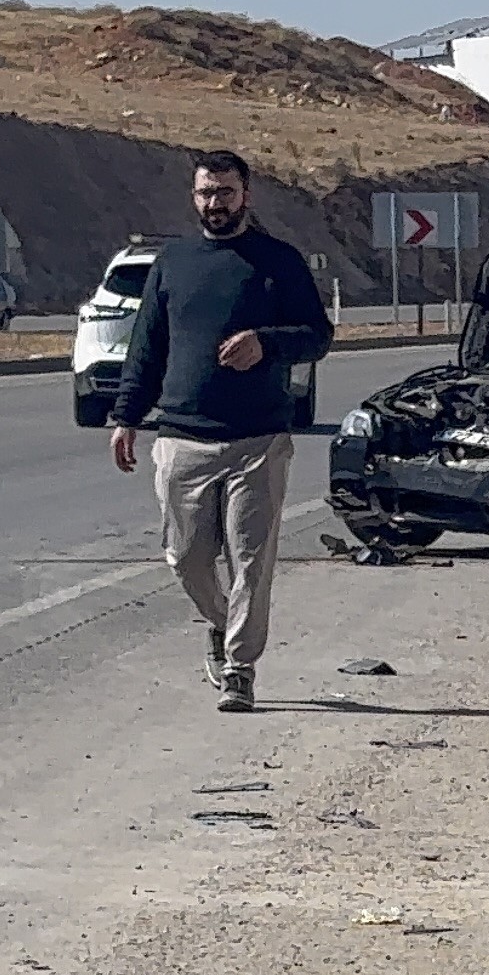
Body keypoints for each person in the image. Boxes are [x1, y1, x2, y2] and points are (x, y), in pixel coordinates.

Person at [108, 150, 331, 713]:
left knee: (251, 559)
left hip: (258, 441)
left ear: (246, 195)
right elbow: (147, 346)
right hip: (182, 438)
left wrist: (268, 343)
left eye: (226, 193)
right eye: (207, 193)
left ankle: (239, 667)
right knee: (185, 557)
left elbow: (317, 336)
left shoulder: (277, 262)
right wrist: (126, 417)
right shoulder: (173, 262)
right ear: (194, 196)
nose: (216, 204)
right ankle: (220, 623)